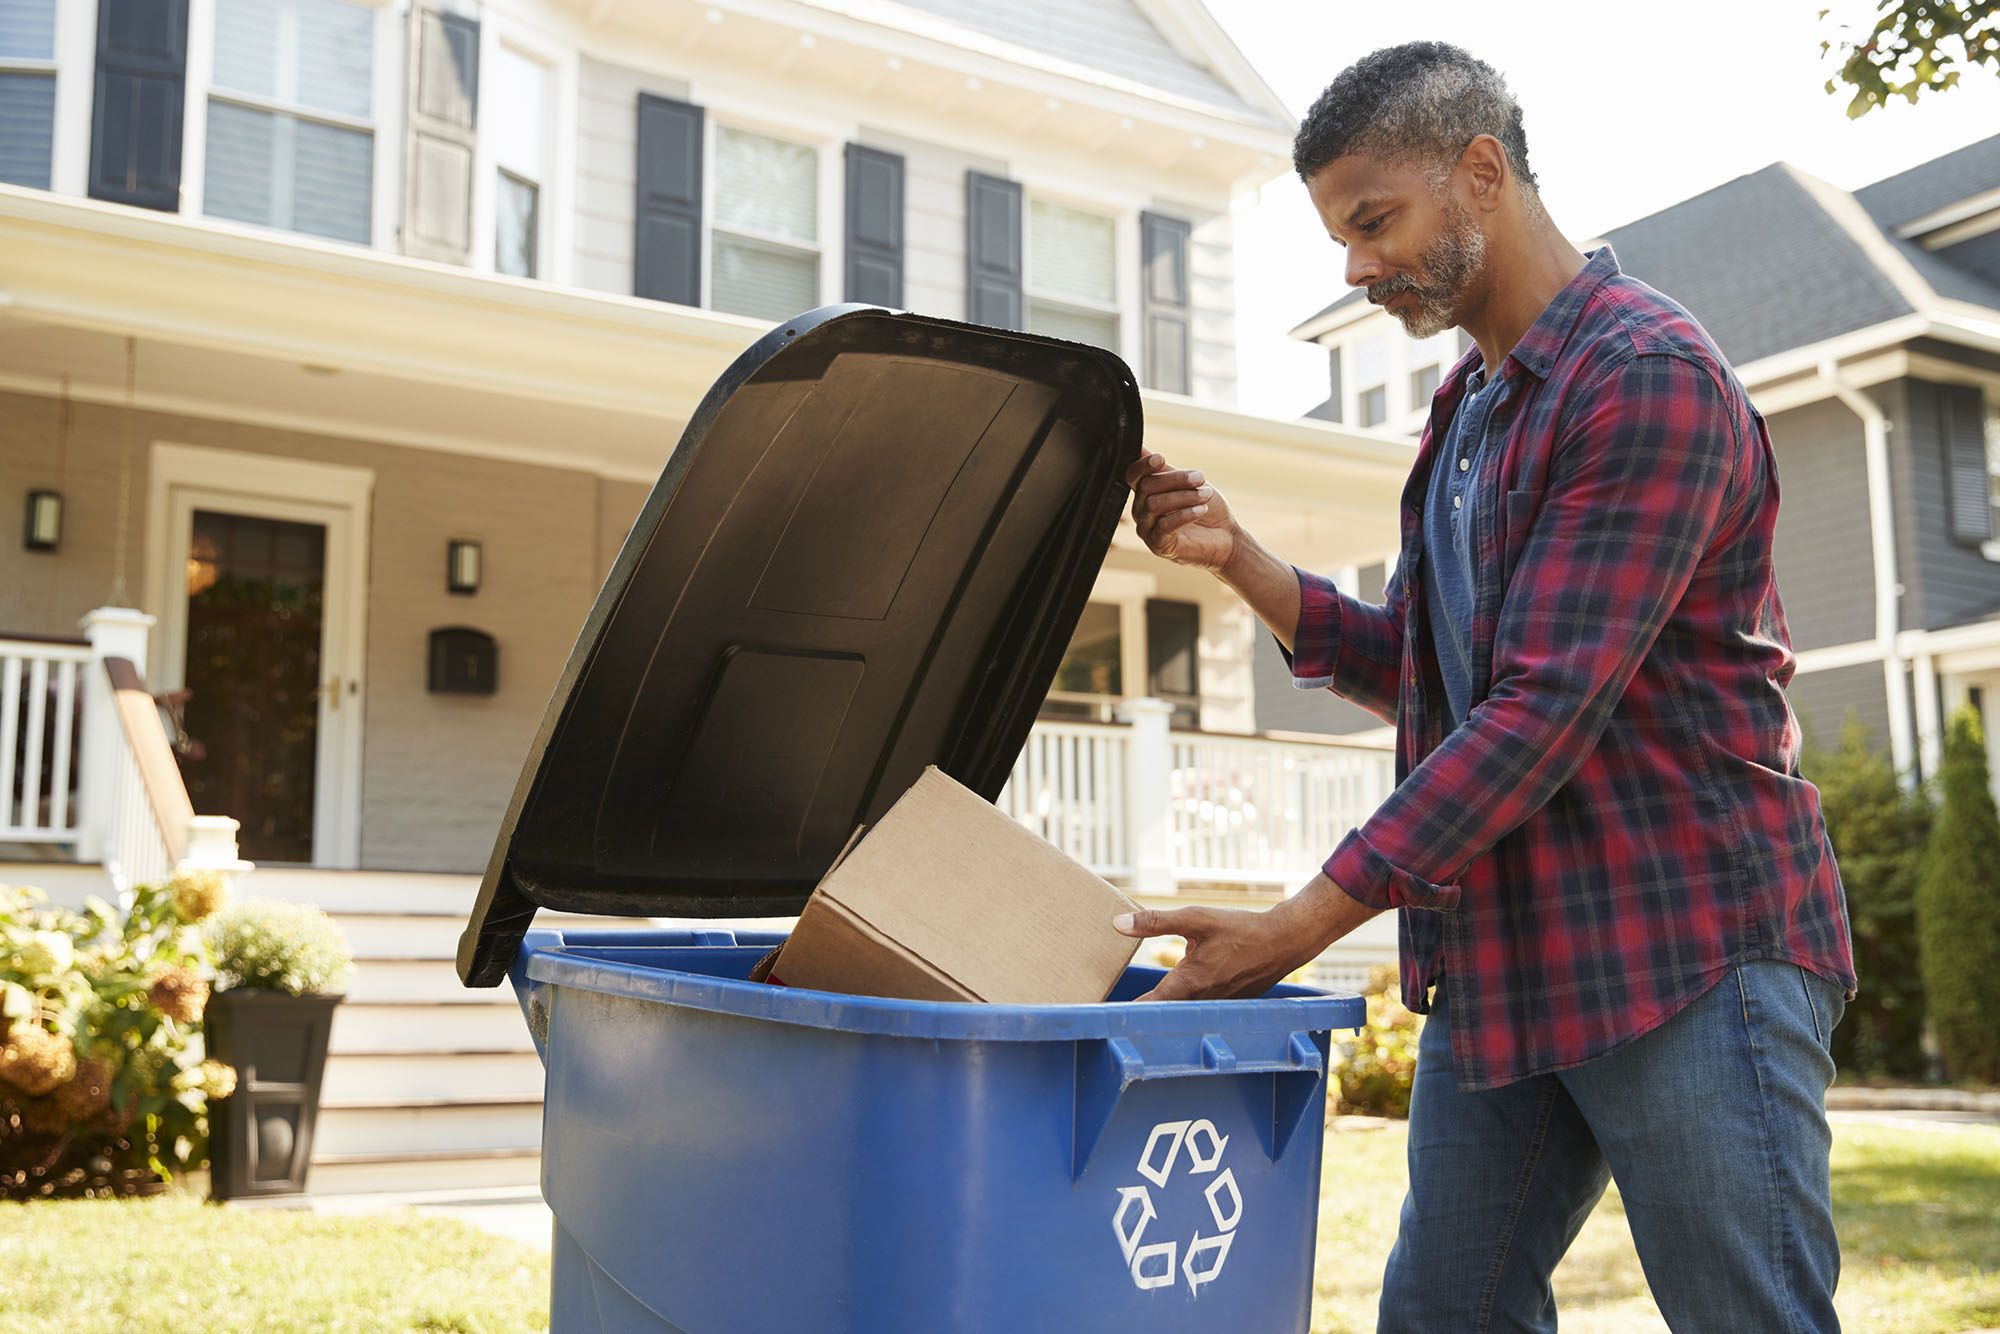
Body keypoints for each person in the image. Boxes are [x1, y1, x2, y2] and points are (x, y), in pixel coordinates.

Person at [1111, 41, 1857, 1334]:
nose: (1352, 266)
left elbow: (1539, 713)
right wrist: (1238, 558)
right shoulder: (1467, 412)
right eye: (1342, 235)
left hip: (1689, 946)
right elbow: (1431, 667)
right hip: (1512, 958)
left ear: (1480, 172)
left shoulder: (1643, 373)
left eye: (1371, 220)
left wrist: (1293, 926)